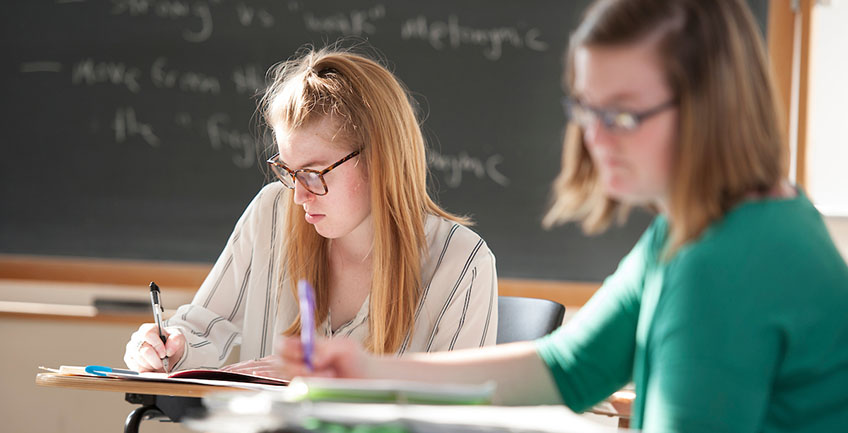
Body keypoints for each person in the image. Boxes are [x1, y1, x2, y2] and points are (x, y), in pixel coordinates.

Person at [275, 1, 848, 431]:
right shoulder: (725, 219)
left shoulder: (723, 265)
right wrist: (368, 371)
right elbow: (567, 368)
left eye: (622, 114)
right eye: (586, 107)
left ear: (711, 106)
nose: (594, 138)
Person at [123, 47, 499, 376]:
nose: (299, 196)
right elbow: (200, 329)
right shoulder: (271, 212)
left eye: (314, 173)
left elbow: (458, 414)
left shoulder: (461, 262)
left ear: (379, 161)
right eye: (288, 171)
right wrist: (168, 345)